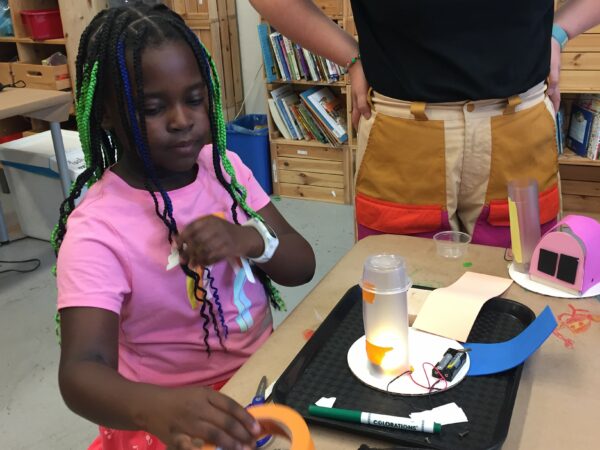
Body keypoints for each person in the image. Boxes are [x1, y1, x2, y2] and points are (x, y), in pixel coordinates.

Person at [53, 4, 316, 450]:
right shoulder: (97, 228)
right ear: (106, 115)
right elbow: (81, 370)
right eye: (154, 107)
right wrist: (157, 408)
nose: (181, 119)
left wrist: (250, 239)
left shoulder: (226, 170)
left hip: (262, 381)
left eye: (194, 99)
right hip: (170, 414)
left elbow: (301, 265)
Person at [250, 0, 600, 246]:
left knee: (518, 297)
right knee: (404, 306)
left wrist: (559, 33)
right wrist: (352, 56)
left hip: (518, 132)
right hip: (404, 136)